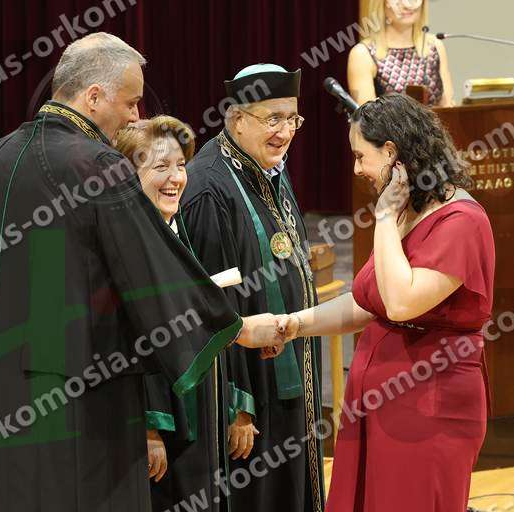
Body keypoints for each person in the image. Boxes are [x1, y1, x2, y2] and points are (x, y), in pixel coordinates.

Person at [0, 33, 282, 512]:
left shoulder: (0, 153)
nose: (135, 116)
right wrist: (236, 328)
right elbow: (149, 271)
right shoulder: (97, 164)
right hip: (73, 393)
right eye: (129, 102)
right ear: (93, 96)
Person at [278, 93, 495, 511]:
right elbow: (369, 303)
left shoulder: (461, 221)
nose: (356, 168)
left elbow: (399, 304)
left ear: (392, 154)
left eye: (361, 156)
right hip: (379, 400)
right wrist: (294, 324)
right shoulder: (406, 213)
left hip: (427, 408)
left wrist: (382, 218)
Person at [180, 64, 325, 512]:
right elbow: (213, 305)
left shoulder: (268, 168)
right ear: (238, 119)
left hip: (291, 370)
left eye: (292, 118)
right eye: (273, 119)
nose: (286, 132)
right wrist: (236, 405)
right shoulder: (208, 187)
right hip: (250, 393)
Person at [116, 115, 237, 511]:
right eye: (160, 167)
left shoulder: (175, 230)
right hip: (165, 424)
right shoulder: (131, 246)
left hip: (197, 412)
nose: (176, 178)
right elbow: (135, 343)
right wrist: (150, 428)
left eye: (181, 165)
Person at [348, 0, 454, 107]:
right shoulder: (362, 54)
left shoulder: (435, 46)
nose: (407, 5)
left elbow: (448, 107)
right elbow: (367, 115)